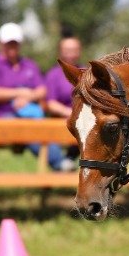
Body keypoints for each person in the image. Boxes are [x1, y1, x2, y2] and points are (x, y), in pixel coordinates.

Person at [0, 22, 72, 171]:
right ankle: (60, 163)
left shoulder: (29, 65)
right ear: (0, 44)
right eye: (8, 43)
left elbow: (42, 89)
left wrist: (27, 98)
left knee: (38, 125)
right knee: (29, 127)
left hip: (31, 114)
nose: (12, 47)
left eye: (15, 43)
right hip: (2, 116)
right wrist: (20, 93)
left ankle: (64, 163)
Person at [44, 34, 83, 164]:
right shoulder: (53, 75)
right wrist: (72, 114)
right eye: (67, 51)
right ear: (60, 52)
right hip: (62, 122)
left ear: (79, 51)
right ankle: (64, 162)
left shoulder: (87, 72)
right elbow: (51, 104)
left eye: (74, 50)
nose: (70, 54)